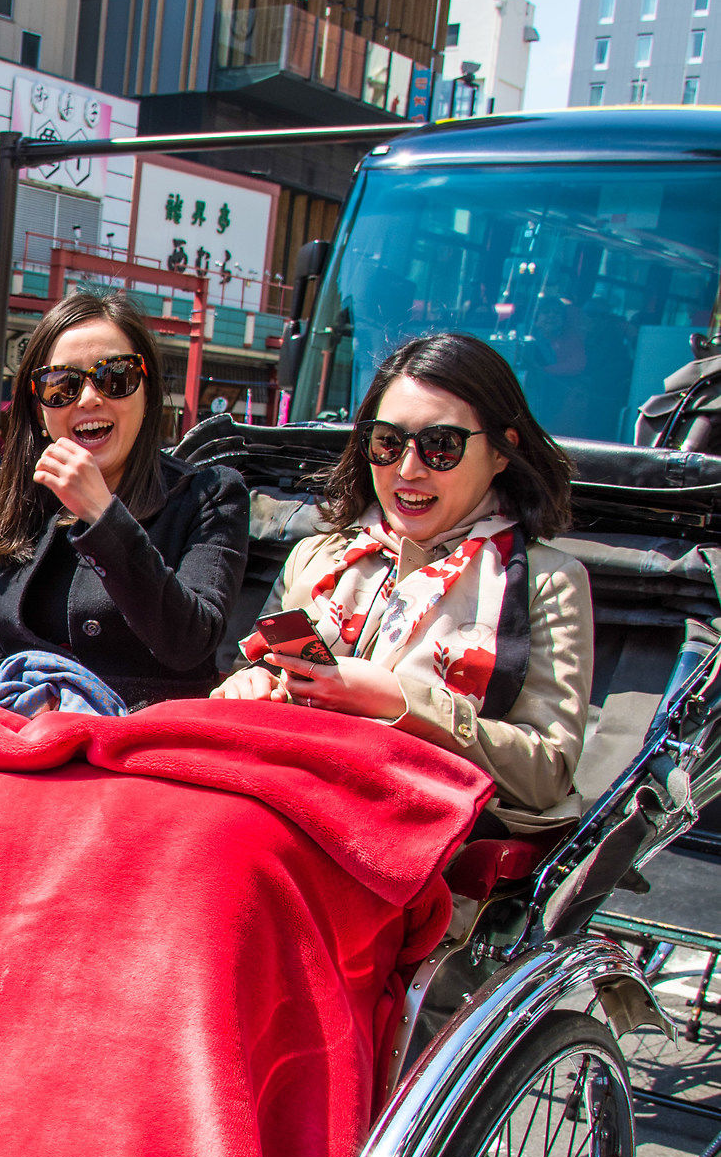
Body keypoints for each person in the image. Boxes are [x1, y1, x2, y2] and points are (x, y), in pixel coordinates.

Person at [215, 330, 591, 828]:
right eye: (388, 443)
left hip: (414, 841)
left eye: (441, 446)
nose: (407, 470)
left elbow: (546, 774)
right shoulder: (317, 555)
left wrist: (400, 701)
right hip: (275, 800)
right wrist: (251, 685)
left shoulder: (546, 582)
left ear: (502, 451)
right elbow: (253, 673)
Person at [0, 289, 249, 707]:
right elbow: (6, 654)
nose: (89, 398)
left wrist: (103, 517)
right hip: (30, 732)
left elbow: (191, 643)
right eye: (61, 384)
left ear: (147, 393)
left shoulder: (210, 495)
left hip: (142, 742)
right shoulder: (29, 502)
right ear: (40, 411)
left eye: (116, 377)